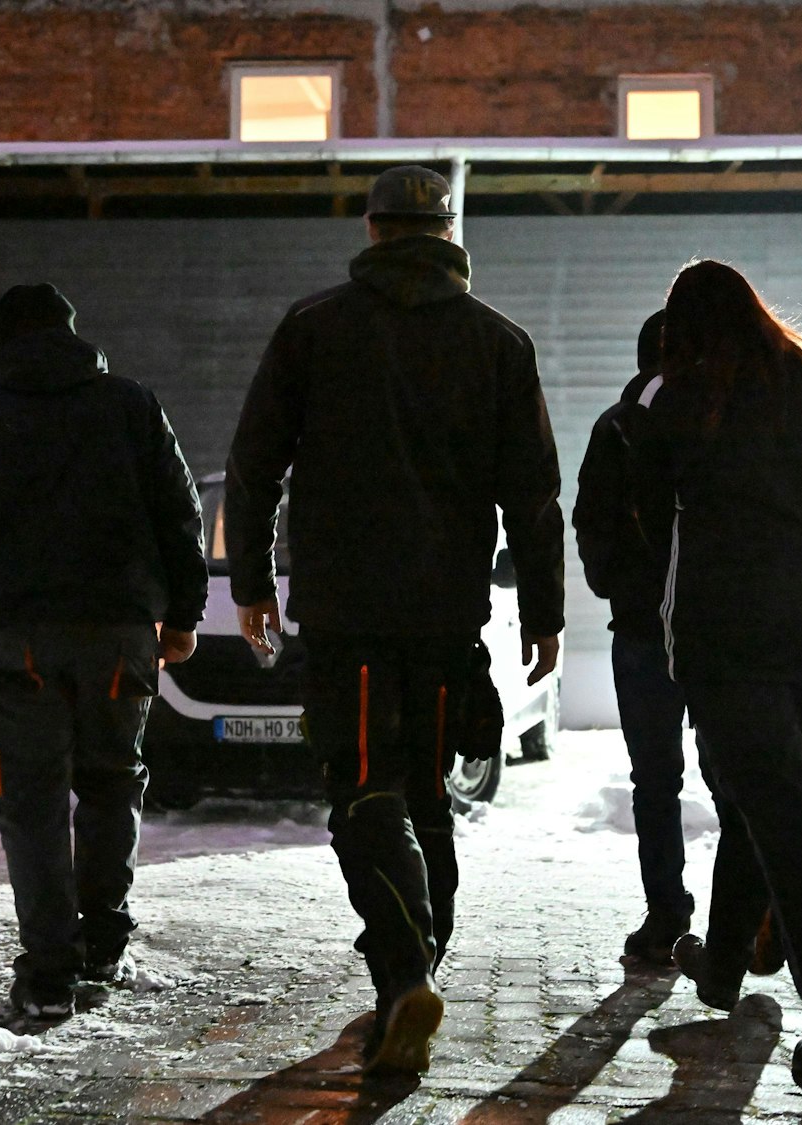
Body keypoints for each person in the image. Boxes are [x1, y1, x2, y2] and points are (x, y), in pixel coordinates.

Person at [223, 165, 566, 1076]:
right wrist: (544, 610)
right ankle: (419, 966)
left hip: (348, 611)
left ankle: (405, 971)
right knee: (424, 792)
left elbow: (254, 464)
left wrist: (252, 584)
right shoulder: (500, 341)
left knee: (364, 790)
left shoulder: (313, 328)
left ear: (373, 231)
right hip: (448, 614)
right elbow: (533, 494)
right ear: (447, 231)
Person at [0, 282, 207, 1021]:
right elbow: (181, 513)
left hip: (18, 641)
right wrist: (182, 615)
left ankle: (50, 973)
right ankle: (104, 946)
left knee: (34, 802)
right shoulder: (132, 406)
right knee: (112, 782)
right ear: (74, 333)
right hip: (117, 634)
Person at [629, 260, 802, 1095]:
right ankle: (726, 962)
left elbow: (646, 508)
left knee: (780, 809)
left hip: (735, 627)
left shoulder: (684, 395)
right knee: (762, 792)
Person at [572, 308, 696, 964]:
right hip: (708, 634)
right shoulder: (717, 417)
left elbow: (588, 518)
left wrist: (618, 583)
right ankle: (743, 917)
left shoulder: (617, 425)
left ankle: (668, 911)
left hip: (645, 631)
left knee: (655, 777)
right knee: (731, 773)